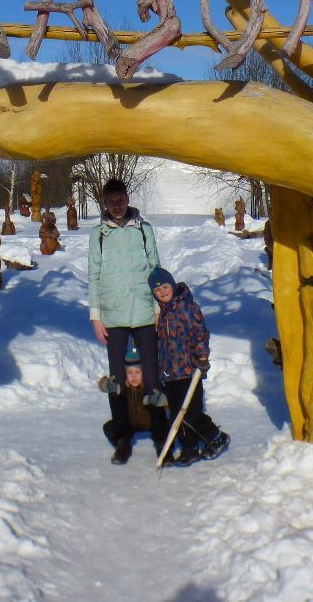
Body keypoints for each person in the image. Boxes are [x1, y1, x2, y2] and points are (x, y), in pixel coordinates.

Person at [88, 178, 165, 464]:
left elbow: (155, 269)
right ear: (105, 203)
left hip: (144, 309)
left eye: (121, 200)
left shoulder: (144, 230)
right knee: (117, 380)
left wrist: (158, 308)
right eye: (111, 201)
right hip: (114, 312)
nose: (117, 206)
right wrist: (96, 316)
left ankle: (160, 435)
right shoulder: (98, 235)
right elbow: (93, 276)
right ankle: (122, 438)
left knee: (153, 376)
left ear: (127, 199)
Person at [150, 266, 229, 465]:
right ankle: (189, 449)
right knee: (178, 414)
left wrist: (201, 356)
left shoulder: (187, 307)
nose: (162, 292)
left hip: (188, 370)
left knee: (191, 412)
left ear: (172, 285)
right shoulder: (162, 314)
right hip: (170, 374)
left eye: (165, 287)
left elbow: (200, 333)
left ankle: (216, 436)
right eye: (157, 291)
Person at [98, 345, 171, 465]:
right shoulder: (123, 387)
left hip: (152, 423)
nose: (133, 376)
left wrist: (162, 400)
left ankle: (163, 446)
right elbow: (102, 383)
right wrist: (107, 385)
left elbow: (170, 403)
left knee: (167, 422)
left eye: (137, 372)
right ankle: (123, 445)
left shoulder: (150, 386)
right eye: (129, 372)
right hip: (131, 424)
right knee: (109, 426)